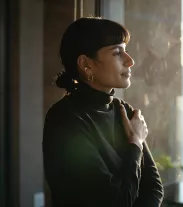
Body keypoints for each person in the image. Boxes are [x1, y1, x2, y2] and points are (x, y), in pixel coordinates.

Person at [42, 17, 163, 207]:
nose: (130, 61)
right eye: (117, 53)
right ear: (86, 64)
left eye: (126, 51)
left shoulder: (125, 110)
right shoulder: (65, 119)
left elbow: (154, 188)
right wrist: (135, 145)